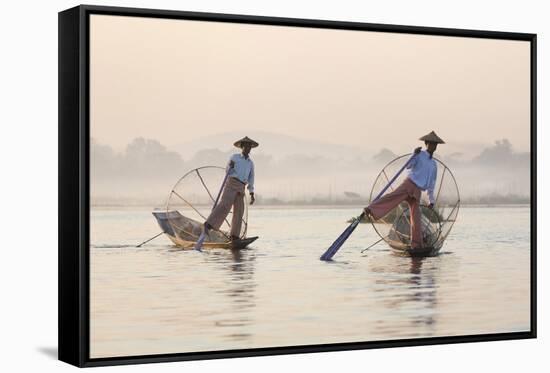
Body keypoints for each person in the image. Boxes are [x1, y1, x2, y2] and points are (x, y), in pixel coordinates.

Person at [363, 131, 445, 249]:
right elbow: (408, 166)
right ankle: (371, 209)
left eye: (435, 144)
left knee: (416, 217)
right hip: (409, 184)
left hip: (417, 191)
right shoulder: (419, 155)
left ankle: (416, 245)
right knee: (393, 197)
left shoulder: (433, 165)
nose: (433, 146)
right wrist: (413, 154)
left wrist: (431, 201)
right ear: (426, 144)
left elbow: (431, 184)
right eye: (431, 144)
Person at [204, 136, 258, 241]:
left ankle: (234, 236)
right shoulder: (235, 157)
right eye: (246, 146)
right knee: (225, 205)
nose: (248, 149)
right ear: (242, 147)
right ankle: (209, 224)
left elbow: (251, 178)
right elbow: (227, 170)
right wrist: (230, 166)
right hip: (231, 183)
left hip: (241, 187)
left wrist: (251, 193)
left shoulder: (250, 163)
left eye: (249, 147)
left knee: (239, 211)